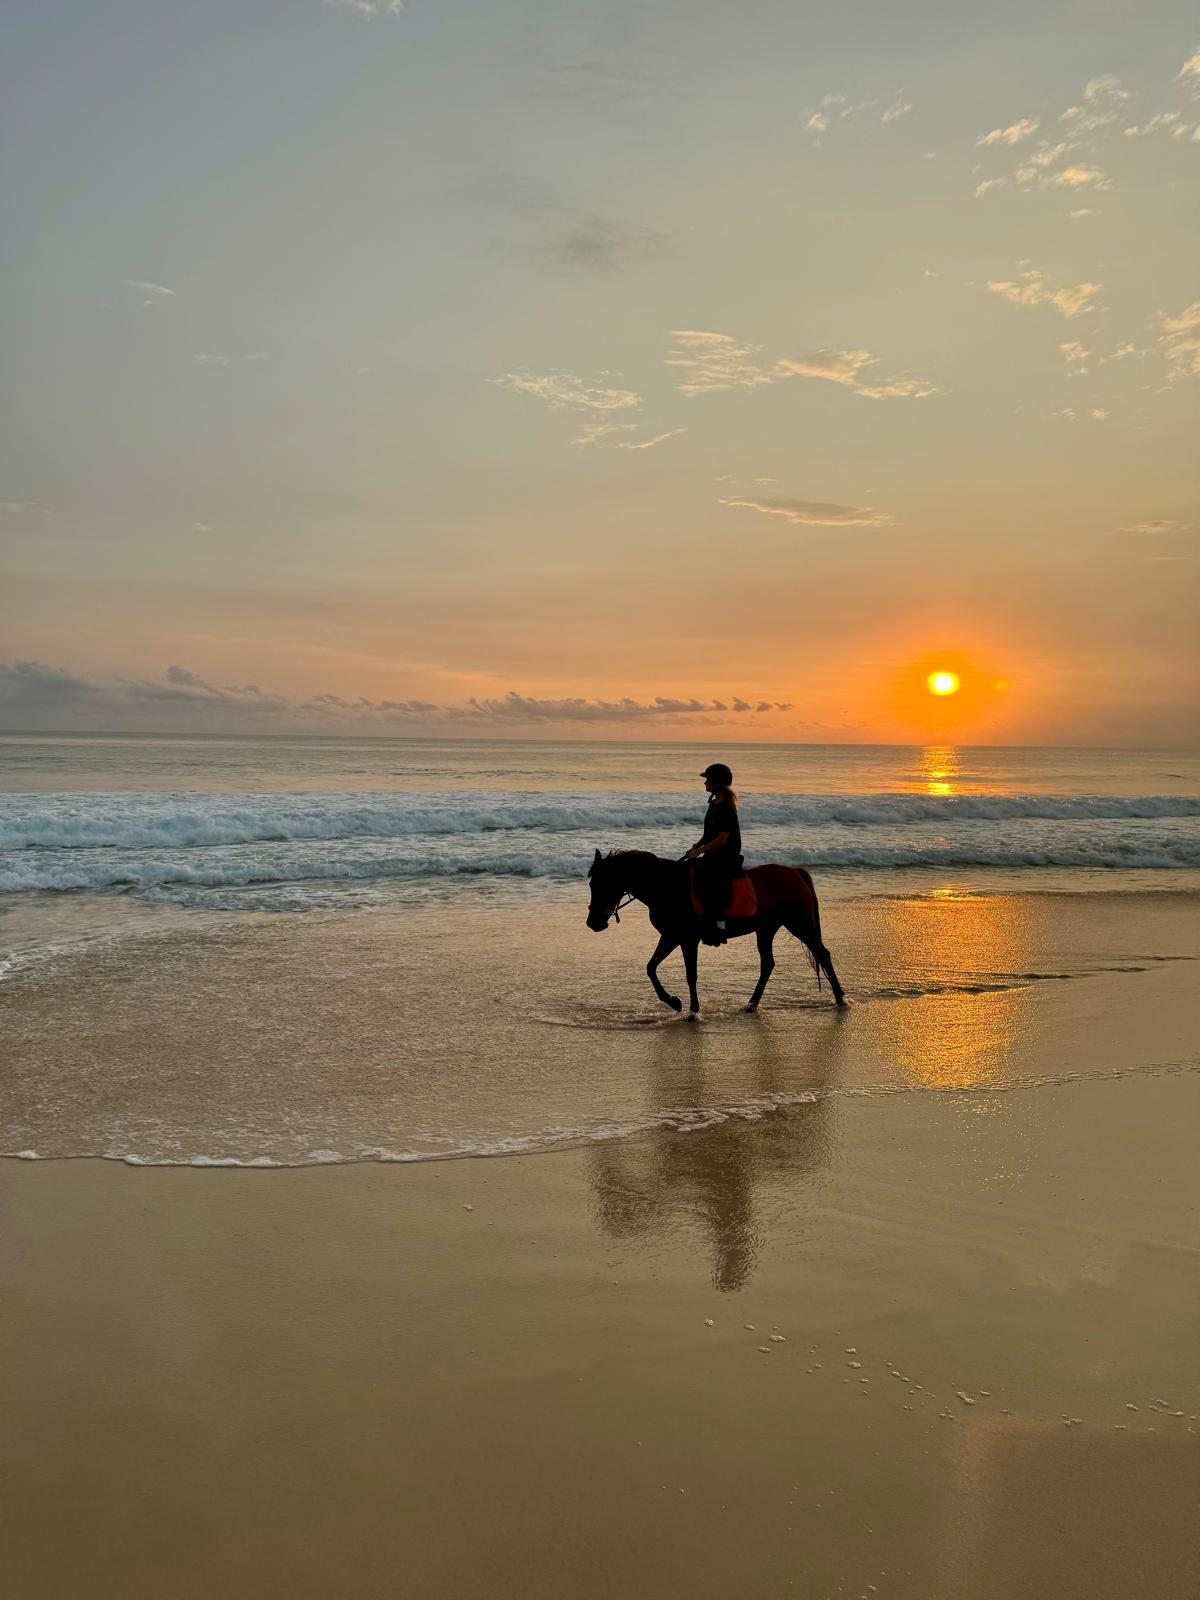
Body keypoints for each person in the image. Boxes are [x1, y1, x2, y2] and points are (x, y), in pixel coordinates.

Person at [686, 762, 743, 945]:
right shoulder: (714, 804)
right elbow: (709, 834)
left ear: (716, 783)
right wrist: (697, 845)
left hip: (725, 856)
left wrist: (700, 851)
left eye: (707, 780)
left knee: (712, 886)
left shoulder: (726, 806)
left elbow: (722, 839)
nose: (705, 783)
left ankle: (719, 929)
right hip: (713, 854)